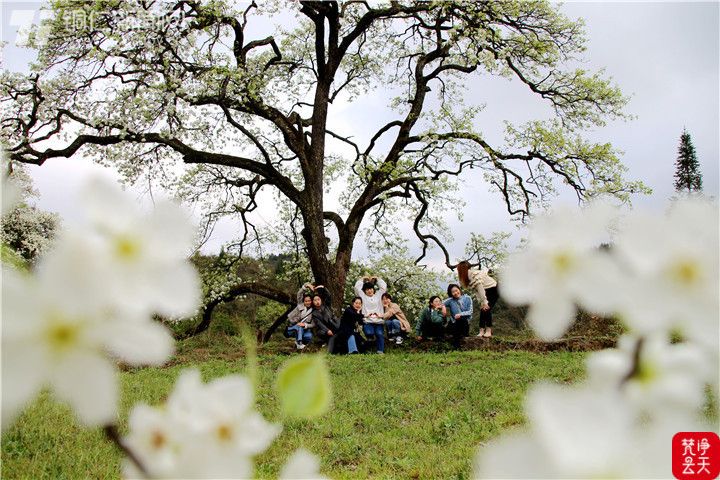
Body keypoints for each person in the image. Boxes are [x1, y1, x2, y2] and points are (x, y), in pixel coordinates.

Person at [457, 260, 498, 338]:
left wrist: (485, 302)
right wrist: (481, 302)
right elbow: (476, 291)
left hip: (493, 289)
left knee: (486, 309)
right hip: (485, 290)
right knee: (483, 309)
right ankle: (481, 330)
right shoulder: (468, 276)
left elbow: (480, 289)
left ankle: (488, 330)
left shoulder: (473, 274)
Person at [354, 275, 387, 353]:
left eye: (371, 289)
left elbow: (383, 288)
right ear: (365, 291)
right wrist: (362, 279)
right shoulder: (363, 297)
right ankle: (368, 349)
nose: (369, 291)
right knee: (369, 333)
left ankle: (380, 351)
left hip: (378, 321)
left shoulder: (378, 296)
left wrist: (377, 279)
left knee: (379, 334)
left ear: (373, 289)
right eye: (367, 289)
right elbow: (357, 289)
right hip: (368, 321)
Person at [443, 284, 473, 348]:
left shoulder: (467, 298)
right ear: (451, 294)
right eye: (453, 292)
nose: (455, 293)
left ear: (459, 289)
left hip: (464, 324)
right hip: (453, 324)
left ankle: (456, 345)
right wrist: (443, 308)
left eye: (456, 290)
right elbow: (440, 304)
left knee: (460, 319)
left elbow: (470, 311)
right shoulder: (451, 300)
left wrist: (460, 314)